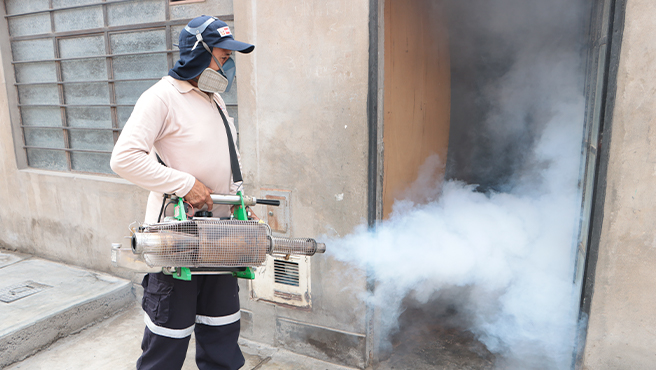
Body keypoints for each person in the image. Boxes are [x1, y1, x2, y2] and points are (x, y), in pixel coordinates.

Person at [110, 15, 254, 370]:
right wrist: (185, 184)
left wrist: (239, 201)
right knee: (167, 346)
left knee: (222, 338)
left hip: (221, 240)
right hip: (178, 240)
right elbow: (124, 159)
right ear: (197, 52)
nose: (228, 64)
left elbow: (226, 162)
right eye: (223, 56)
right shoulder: (162, 97)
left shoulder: (213, 99)